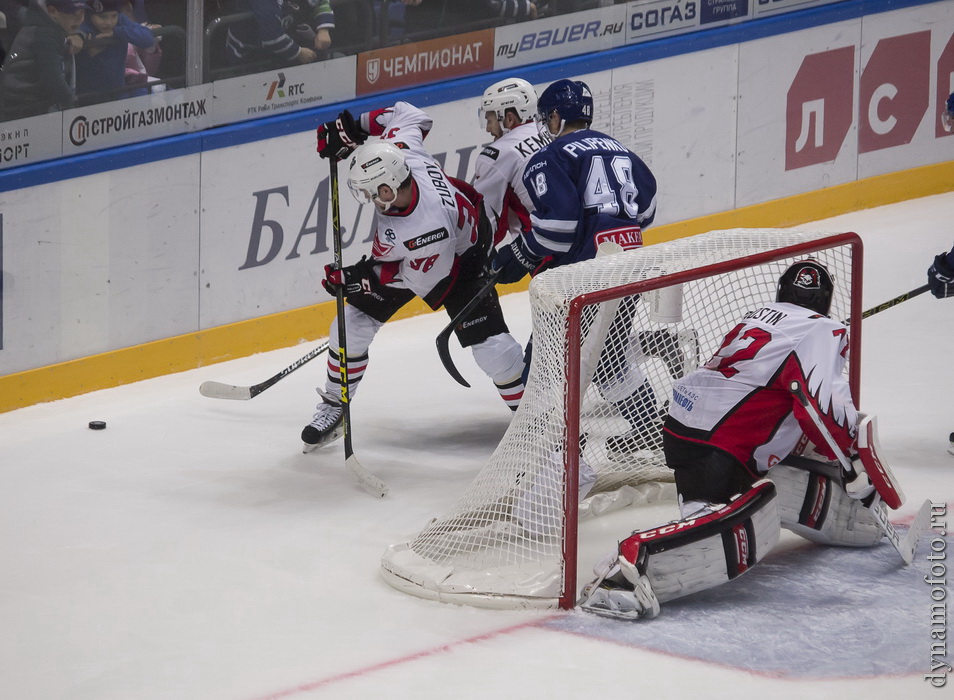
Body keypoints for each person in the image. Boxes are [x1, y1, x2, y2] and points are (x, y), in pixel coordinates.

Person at [579, 259, 885, 620]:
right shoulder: (825, 329)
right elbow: (821, 406)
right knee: (728, 521)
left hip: (682, 429)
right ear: (825, 302)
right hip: (724, 443)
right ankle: (628, 567)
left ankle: (664, 541)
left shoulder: (759, 315)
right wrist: (852, 465)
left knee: (702, 514)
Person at [303, 101, 527, 451]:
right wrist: (352, 128)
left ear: (388, 188)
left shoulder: (425, 227)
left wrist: (363, 280)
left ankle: (541, 420)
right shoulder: (402, 150)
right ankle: (335, 405)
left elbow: (426, 280)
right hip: (426, 249)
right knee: (350, 323)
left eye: (370, 192)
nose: (367, 199)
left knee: (493, 351)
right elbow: (410, 114)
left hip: (461, 259)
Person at [490, 77, 661, 454]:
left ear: (554, 118)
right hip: (628, 265)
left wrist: (518, 253)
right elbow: (645, 210)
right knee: (610, 360)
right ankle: (652, 428)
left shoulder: (549, 157)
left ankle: (554, 452)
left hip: (584, 278)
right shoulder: (622, 151)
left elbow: (558, 231)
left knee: (544, 365)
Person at [473, 77, 548, 248]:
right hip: (583, 236)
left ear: (509, 118)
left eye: (490, 120)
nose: (488, 128)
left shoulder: (497, 155)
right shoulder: (552, 132)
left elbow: (488, 227)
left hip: (539, 250)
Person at [0, 0, 88, 120]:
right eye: (73, 14)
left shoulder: (50, 28)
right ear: (53, 12)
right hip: (20, 106)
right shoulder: (44, 35)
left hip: (32, 102)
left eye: (82, 13)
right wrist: (71, 103)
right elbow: (51, 77)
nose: (79, 20)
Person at [74, 0, 155, 104]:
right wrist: (87, 52)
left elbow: (148, 38)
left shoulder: (120, 21)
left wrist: (117, 32)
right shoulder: (82, 25)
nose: (109, 22)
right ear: (89, 14)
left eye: (113, 16)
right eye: (102, 17)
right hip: (87, 97)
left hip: (118, 93)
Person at [225, 0, 333, 69]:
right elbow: (271, 37)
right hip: (249, 58)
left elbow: (320, 2)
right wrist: (298, 53)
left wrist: (324, 29)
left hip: (287, 44)